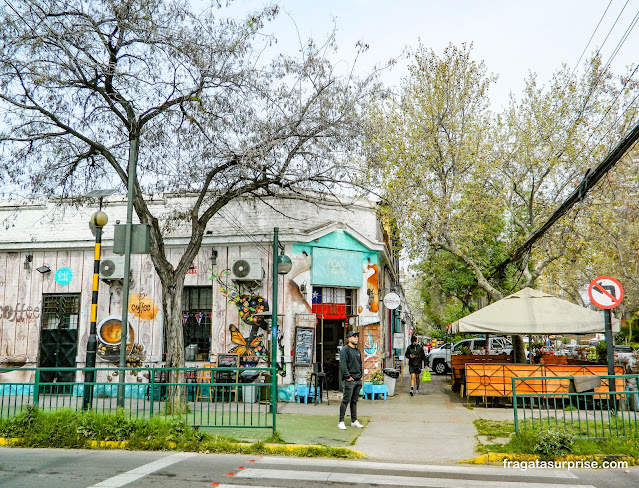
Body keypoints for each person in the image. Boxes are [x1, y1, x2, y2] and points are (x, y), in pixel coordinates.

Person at [338, 330, 364, 430]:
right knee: (346, 400)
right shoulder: (345, 350)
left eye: (357, 336)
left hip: (357, 379)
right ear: (349, 339)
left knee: (354, 401)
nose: (356, 338)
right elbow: (343, 364)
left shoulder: (357, 351)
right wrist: (348, 376)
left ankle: (354, 420)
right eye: (354, 336)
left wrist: (360, 375)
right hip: (349, 380)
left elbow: (359, 363)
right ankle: (341, 421)